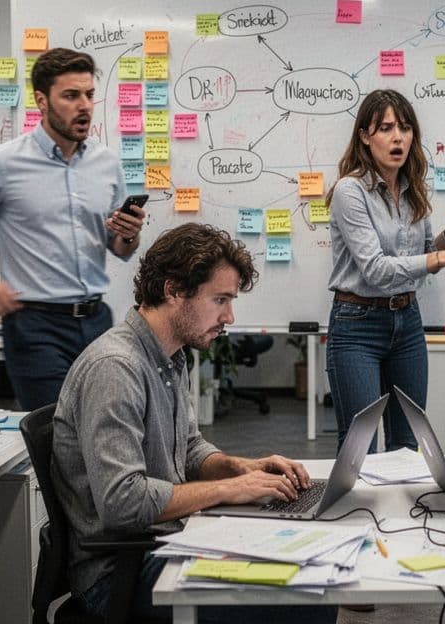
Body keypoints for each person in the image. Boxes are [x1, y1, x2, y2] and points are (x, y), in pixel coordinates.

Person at [53, 223, 334, 623]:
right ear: (173, 290)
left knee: (309, 563)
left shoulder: (170, 356)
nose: (229, 316)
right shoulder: (116, 368)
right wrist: (229, 489)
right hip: (120, 573)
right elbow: (122, 503)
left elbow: (188, 448)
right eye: (220, 299)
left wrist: (241, 468)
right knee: (309, 598)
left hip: (168, 540)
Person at [0, 47, 145, 411]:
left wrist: (129, 233)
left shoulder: (106, 163)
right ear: (42, 101)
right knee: (58, 430)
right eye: (71, 95)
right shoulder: (2, 164)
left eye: (89, 94)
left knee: (106, 423)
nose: (84, 106)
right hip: (36, 326)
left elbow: (120, 247)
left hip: (97, 320)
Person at [325, 88, 445, 452]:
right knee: (360, 447)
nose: (397, 137)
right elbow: (377, 270)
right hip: (357, 326)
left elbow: (423, 257)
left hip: (407, 322)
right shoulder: (350, 191)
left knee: (408, 443)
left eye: (405, 127)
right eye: (385, 128)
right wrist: (440, 258)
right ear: (365, 136)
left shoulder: (413, 190)